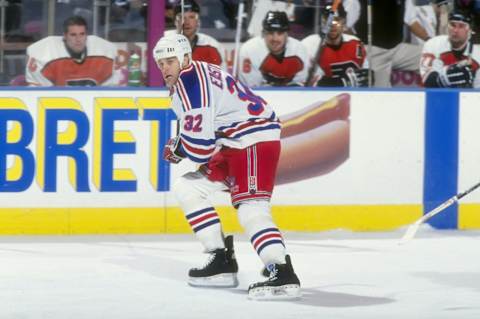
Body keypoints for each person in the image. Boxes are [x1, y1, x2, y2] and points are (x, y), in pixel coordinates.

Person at [153, 33, 301, 300]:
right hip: (235, 142)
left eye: (170, 61)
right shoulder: (195, 72)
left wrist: (178, 148)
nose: (165, 68)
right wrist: (183, 143)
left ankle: (281, 269)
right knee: (188, 187)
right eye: (161, 63)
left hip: (253, 140)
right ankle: (220, 259)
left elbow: (201, 149)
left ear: (186, 58)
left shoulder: (189, 83)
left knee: (251, 208)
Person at [26, 16, 121, 86]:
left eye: (82, 34)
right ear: (65, 36)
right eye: (73, 35)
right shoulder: (44, 52)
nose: (78, 39)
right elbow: (39, 94)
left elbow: (112, 90)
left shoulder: (105, 51)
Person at [355, 0, 431, 87]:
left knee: (433, 56)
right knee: (380, 94)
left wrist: (430, 41)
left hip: (397, 48)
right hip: (374, 52)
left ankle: (437, 96)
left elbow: (411, 21)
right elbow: (348, 24)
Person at [302, 4, 370, 87]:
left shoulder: (355, 42)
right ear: (322, 22)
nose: (332, 25)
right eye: (327, 20)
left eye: (337, 20)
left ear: (344, 24)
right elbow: (312, 82)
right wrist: (344, 83)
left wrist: (368, 76)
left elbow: (366, 73)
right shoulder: (309, 45)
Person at [239, 11, 310, 87]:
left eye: (280, 33)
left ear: (287, 34)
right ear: (263, 33)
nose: (275, 39)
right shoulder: (250, 49)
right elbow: (251, 89)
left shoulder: (299, 49)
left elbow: (301, 86)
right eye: (270, 33)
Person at [420, 10, 480, 88]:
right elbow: (427, 82)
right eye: (452, 25)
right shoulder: (433, 44)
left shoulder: (478, 55)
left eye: (461, 26)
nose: (455, 30)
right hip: (434, 97)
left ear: (470, 31)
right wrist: (445, 77)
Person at [164, 0, 225, 69]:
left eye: (191, 17)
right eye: (181, 17)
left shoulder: (212, 45)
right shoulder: (162, 42)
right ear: (175, 22)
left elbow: (221, 77)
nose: (186, 22)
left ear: (198, 21)